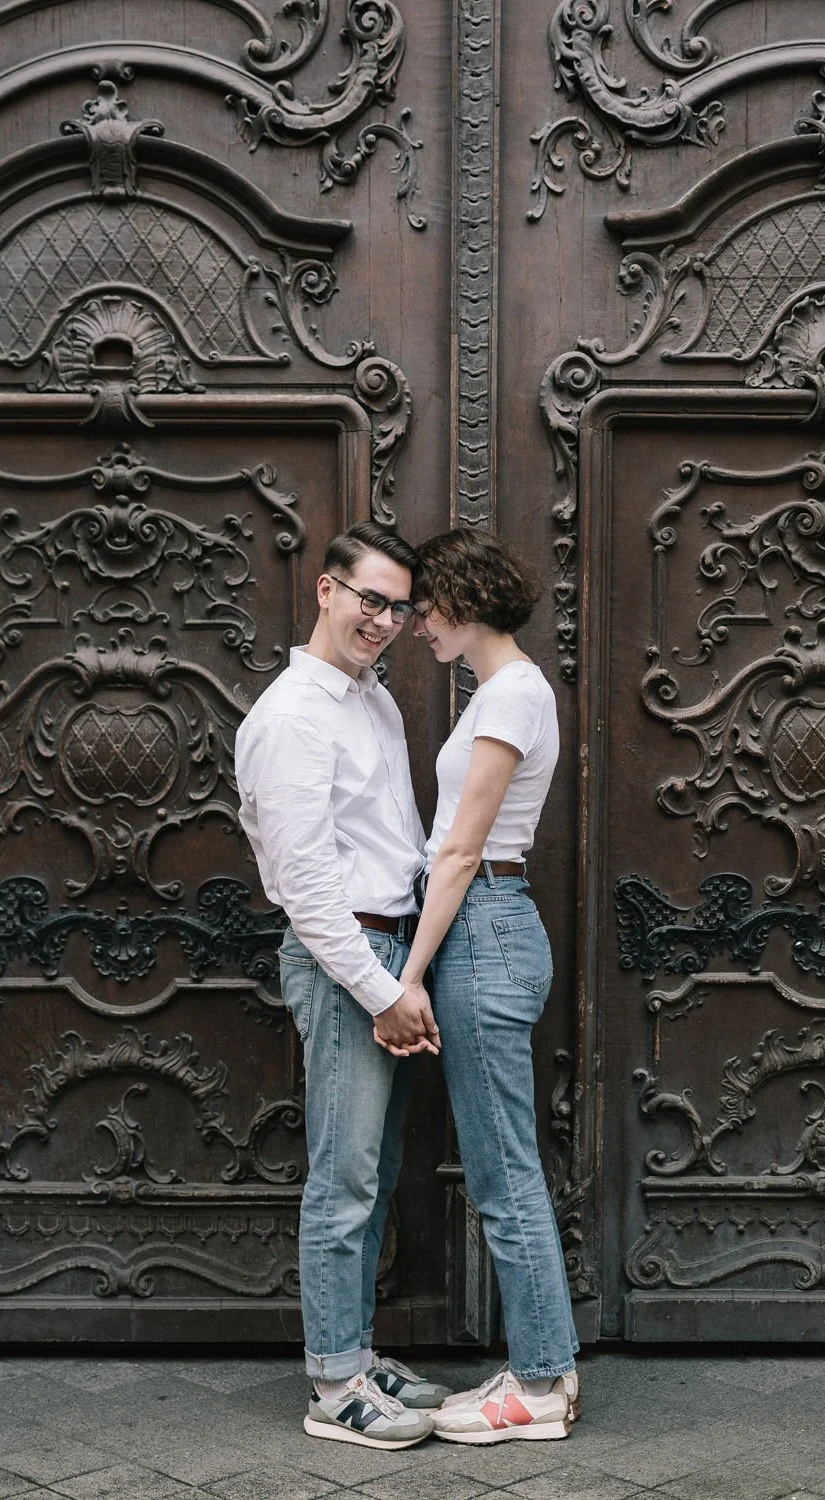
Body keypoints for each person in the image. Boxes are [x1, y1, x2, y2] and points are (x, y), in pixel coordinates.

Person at [235, 521, 450, 1450]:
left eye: (399, 607)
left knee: (377, 1172)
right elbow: (307, 888)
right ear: (326, 590)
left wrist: (410, 967)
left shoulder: (372, 701)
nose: (386, 620)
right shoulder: (290, 716)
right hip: (344, 964)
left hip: (389, 952)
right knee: (344, 1182)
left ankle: (356, 1350)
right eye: (371, 599)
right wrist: (380, 991)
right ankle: (334, 1386)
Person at [380, 527, 580, 1444]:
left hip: (485, 929)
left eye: (424, 608)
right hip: (483, 928)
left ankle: (539, 1388)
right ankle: (540, 1367)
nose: (416, 623)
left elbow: (460, 850)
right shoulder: (501, 693)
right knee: (502, 1166)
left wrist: (406, 977)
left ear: (461, 601)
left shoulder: (513, 695)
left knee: (504, 1172)